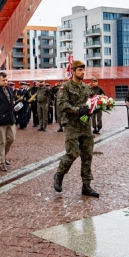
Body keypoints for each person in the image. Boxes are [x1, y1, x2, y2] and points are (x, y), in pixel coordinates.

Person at [53, 60, 98, 197]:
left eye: (83, 70)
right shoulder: (65, 87)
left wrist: (95, 108)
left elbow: (91, 101)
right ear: (73, 71)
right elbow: (62, 105)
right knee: (72, 153)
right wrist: (78, 110)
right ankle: (59, 175)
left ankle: (86, 185)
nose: (82, 72)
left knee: (87, 155)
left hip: (85, 125)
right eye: (79, 70)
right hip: (71, 125)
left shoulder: (86, 88)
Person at [0, 72, 16, 172]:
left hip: (10, 119)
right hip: (0, 120)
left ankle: (2, 156)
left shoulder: (10, 89)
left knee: (11, 139)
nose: (6, 82)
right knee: (1, 141)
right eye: (3, 80)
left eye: (6, 80)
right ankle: (1, 162)